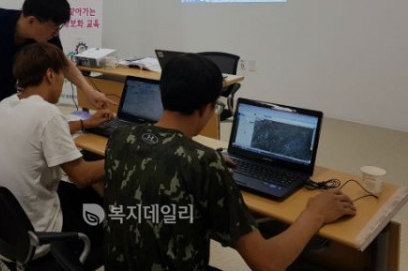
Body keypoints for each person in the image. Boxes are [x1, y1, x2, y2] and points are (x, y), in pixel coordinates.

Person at [103, 53, 357, 271]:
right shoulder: (204, 163)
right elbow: (268, 263)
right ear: (207, 107)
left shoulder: (121, 137)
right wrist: (315, 213)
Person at [0, 0, 113, 264]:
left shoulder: (43, 41)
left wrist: (88, 91)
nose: (56, 34)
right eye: (54, 28)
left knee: (9, 161)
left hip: (9, 104)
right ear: (33, 21)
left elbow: (63, 64)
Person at [0, 42, 111, 270]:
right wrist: (121, 156)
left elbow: (39, 133)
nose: (62, 83)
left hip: (6, 226)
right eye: (63, 77)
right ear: (50, 75)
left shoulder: (5, 105)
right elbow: (82, 177)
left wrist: (85, 124)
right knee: (107, 211)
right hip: (40, 235)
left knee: (83, 174)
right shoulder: (47, 113)